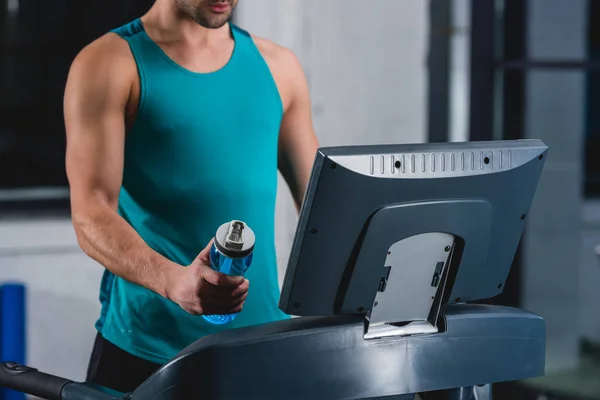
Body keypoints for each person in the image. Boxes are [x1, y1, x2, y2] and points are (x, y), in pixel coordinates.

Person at [63, 0, 319, 393]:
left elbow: (323, 210)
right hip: (148, 351)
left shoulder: (278, 67)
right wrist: (173, 281)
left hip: (261, 344)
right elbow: (90, 214)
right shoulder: (109, 62)